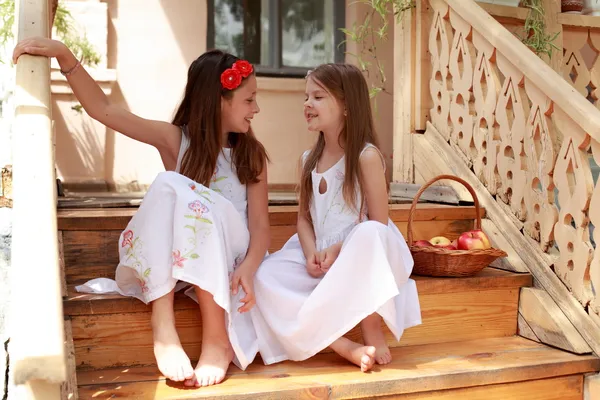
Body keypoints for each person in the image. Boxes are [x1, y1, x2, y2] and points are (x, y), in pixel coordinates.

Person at [13, 39, 270, 387]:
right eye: (249, 99)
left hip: (235, 256)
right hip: (189, 259)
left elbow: (259, 227)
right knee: (168, 184)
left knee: (181, 191)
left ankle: (217, 340)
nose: (256, 108)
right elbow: (104, 110)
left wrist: (250, 268)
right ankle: (161, 318)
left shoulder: (250, 154)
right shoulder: (176, 140)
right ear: (218, 101)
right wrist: (64, 55)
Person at [250, 63, 421, 372]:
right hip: (321, 254)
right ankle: (342, 345)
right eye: (306, 97)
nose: (307, 104)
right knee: (263, 276)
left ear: (346, 105)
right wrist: (311, 252)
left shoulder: (365, 157)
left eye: (318, 96)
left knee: (368, 233)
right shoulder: (307, 160)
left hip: (362, 252)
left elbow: (379, 223)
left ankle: (371, 323)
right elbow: (303, 220)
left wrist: (339, 249)